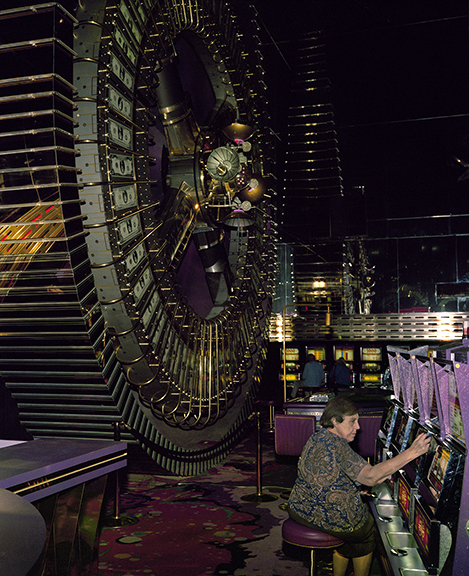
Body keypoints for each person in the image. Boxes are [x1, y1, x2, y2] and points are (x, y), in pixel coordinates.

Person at [287, 396, 431, 576]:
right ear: (335, 421)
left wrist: (357, 485)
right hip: (321, 516)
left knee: (352, 525)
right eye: (352, 421)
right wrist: (412, 452)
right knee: (365, 528)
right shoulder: (338, 446)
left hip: (299, 508)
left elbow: (329, 473)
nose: (358, 427)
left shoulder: (317, 437)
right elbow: (371, 477)